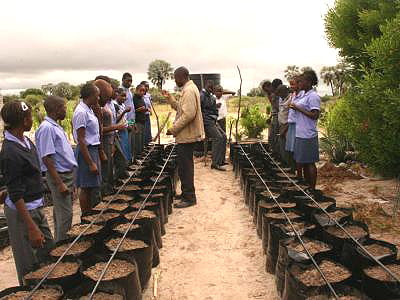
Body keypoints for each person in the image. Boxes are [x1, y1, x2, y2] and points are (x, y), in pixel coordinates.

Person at [0, 101, 54, 285]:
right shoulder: (10, 151)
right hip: (23, 214)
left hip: (36, 207)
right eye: (30, 116)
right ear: (23, 121)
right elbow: (16, 194)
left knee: (48, 252)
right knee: (28, 265)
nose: (32, 119)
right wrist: (31, 227)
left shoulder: (25, 141)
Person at [35, 96, 77, 242]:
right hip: (60, 176)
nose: (66, 110)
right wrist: (59, 183)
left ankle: (60, 245)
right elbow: (47, 158)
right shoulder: (47, 129)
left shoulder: (54, 126)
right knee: (65, 216)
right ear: (56, 109)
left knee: (61, 213)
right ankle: (63, 250)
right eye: (64, 107)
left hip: (66, 174)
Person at [162, 66, 205, 208]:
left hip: (187, 135)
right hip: (186, 135)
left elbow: (188, 114)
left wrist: (173, 129)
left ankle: (189, 197)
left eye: (175, 78)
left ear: (181, 77)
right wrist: (170, 98)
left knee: (186, 167)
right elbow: (182, 109)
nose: (175, 81)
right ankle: (186, 192)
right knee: (184, 166)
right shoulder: (188, 89)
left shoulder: (189, 91)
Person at [72, 83, 102, 214]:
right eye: (97, 95)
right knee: (85, 187)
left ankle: (89, 214)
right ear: (90, 95)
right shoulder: (81, 112)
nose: (98, 98)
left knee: (91, 186)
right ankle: (86, 216)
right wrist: (90, 163)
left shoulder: (89, 109)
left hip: (92, 150)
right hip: (86, 152)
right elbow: (81, 140)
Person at [289, 70, 321, 190]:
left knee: (310, 162)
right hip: (300, 132)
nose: (299, 83)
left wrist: (298, 108)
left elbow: (315, 115)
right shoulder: (304, 95)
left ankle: (312, 188)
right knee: (303, 161)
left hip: (308, 134)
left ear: (308, 82)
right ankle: (307, 185)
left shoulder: (313, 96)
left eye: (301, 81)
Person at [99, 84, 125, 196]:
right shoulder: (100, 107)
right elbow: (99, 130)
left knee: (118, 163)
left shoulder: (110, 105)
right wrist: (116, 128)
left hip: (112, 137)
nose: (114, 93)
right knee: (107, 168)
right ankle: (106, 191)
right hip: (105, 140)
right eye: (113, 91)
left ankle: (111, 186)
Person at [200, 80, 227, 170]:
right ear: (206, 86)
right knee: (218, 138)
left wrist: (215, 111)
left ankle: (221, 160)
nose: (211, 90)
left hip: (213, 120)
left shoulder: (211, 97)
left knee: (224, 136)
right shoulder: (202, 96)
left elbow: (214, 109)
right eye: (209, 88)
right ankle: (215, 163)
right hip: (206, 121)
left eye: (212, 88)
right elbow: (199, 111)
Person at [286, 76, 304, 178]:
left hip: (298, 125)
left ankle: (299, 175)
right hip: (291, 123)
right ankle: (295, 172)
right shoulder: (293, 95)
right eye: (290, 84)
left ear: (299, 84)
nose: (291, 86)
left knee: (297, 151)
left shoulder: (302, 95)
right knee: (292, 150)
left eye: (293, 84)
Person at [113, 88, 132, 181]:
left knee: (125, 151)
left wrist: (129, 125)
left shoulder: (123, 105)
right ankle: (119, 175)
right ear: (117, 95)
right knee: (121, 154)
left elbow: (125, 119)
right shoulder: (115, 106)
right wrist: (124, 112)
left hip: (124, 130)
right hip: (118, 131)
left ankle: (123, 171)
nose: (124, 98)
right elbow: (115, 121)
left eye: (125, 96)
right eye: (122, 96)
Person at [121, 73, 136, 162]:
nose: (129, 83)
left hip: (131, 120)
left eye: (131, 81)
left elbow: (132, 106)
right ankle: (126, 163)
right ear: (123, 79)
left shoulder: (129, 91)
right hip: (125, 121)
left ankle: (130, 161)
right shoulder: (121, 91)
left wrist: (133, 121)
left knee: (130, 143)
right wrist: (128, 123)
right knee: (125, 143)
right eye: (128, 81)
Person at [276, 84, 291, 165]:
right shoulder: (282, 99)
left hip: (287, 126)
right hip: (282, 125)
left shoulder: (291, 99)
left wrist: (285, 128)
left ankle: (290, 166)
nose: (280, 96)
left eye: (280, 94)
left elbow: (291, 117)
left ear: (284, 92)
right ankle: (285, 163)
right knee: (282, 146)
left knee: (288, 147)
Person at [132, 84, 147, 157]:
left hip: (143, 121)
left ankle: (141, 153)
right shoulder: (134, 98)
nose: (142, 92)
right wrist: (139, 109)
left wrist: (145, 109)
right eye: (140, 90)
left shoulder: (142, 98)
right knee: (137, 140)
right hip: (137, 121)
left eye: (143, 91)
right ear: (136, 90)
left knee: (141, 139)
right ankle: (137, 156)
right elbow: (131, 111)